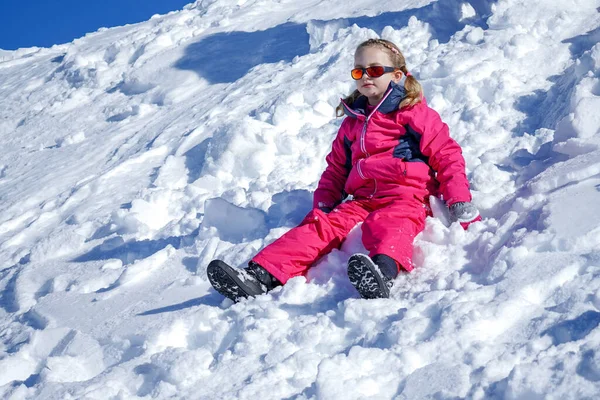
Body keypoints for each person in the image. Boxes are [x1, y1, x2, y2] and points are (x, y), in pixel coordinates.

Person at [207, 38, 480, 301]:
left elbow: (447, 155)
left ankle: (382, 273)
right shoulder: (353, 123)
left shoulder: (414, 114)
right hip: (361, 200)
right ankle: (259, 276)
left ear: (397, 76)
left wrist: (459, 199)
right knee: (318, 228)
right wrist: (324, 203)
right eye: (359, 70)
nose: (365, 76)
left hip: (405, 195)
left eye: (374, 70)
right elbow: (336, 168)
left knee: (393, 224)